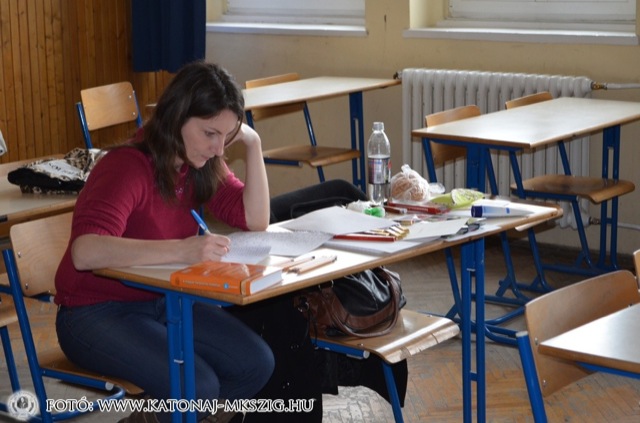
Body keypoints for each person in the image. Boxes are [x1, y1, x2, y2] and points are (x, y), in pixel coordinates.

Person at [54, 61, 275, 423]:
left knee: (256, 363)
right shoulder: (127, 166)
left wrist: (253, 143)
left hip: (164, 300)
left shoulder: (199, 163)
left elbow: (255, 219)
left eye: (227, 135)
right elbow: (86, 251)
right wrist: (182, 249)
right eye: (210, 133)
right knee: (198, 388)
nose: (219, 148)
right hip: (93, 312)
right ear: (176, 117)